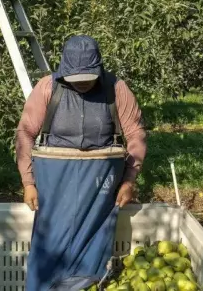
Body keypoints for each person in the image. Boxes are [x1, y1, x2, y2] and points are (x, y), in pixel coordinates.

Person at [15, 34, 147, 290]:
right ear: (64, 71)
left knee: (94, 243)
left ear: (99, 69)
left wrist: (130, 179)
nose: (83, 84)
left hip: (100, 185)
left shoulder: (116, 89)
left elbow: (135, 134)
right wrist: (28, 181)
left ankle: (86, 284)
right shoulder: (47, 88)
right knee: (49, 245)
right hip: (55, 184)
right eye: (76, 79)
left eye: (88, 78)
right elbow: (25, 133)